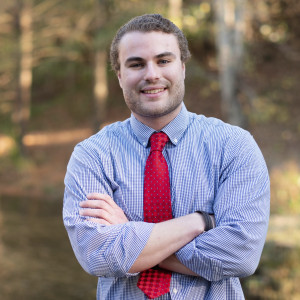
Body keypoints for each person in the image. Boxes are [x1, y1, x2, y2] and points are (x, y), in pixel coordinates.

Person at [63, 14, 270, 300]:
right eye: (136, 64)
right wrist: (199, 223)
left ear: (182, 67)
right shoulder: (92, 156)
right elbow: (97, 255)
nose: (151, 74)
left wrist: (130, 236)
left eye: (163, 60)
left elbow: (241, 255)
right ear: (120, 75)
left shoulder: (233, 146)